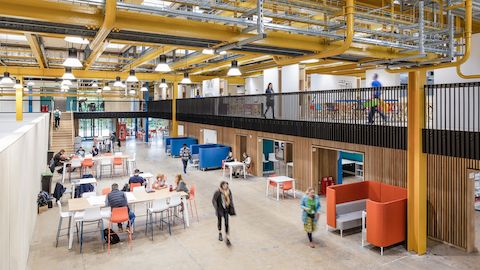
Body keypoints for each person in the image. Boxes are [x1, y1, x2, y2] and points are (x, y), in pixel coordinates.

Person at [212, 181, 236, 246]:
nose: (226, 186)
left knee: (226, 223)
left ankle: (227, 237)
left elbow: (230, 199)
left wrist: (231, 207)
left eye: (227, 185)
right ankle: (220, 233)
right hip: (219, 209)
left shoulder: (229, 191)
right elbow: (213, 200)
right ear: (222, 186)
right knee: (219, 221)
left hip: (226, 209)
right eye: (225, 185)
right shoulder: (217, 192)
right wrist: (216, 207)